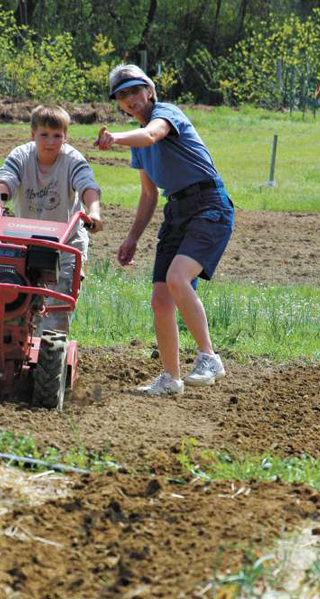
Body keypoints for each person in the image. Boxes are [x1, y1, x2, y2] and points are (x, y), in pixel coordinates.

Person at [95, 64, 233, 393]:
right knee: (160, 299)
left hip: (209, 204)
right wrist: (132, 237)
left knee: (177, 278)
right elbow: (148, 194)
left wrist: (114, 138)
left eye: (134, 91)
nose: (130, 99)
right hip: (177, 212)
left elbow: (152, 134)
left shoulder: (166, 114)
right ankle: (171, 378)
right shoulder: (138, 145)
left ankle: (209, 357)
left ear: (150, 91)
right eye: (122, 95)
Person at [0, 104, 102, 335]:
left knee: (58, 302)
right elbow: (6, 180)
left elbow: (87, 186)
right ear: (33, 135)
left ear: (65, 137)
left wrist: (94, 212)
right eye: (44, 135)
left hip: (66, 242)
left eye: (57, 136)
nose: (50, 142)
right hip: (26, 238)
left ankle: (51, 353)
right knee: (17, 298)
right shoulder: (21, 156)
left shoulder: (72, 159)